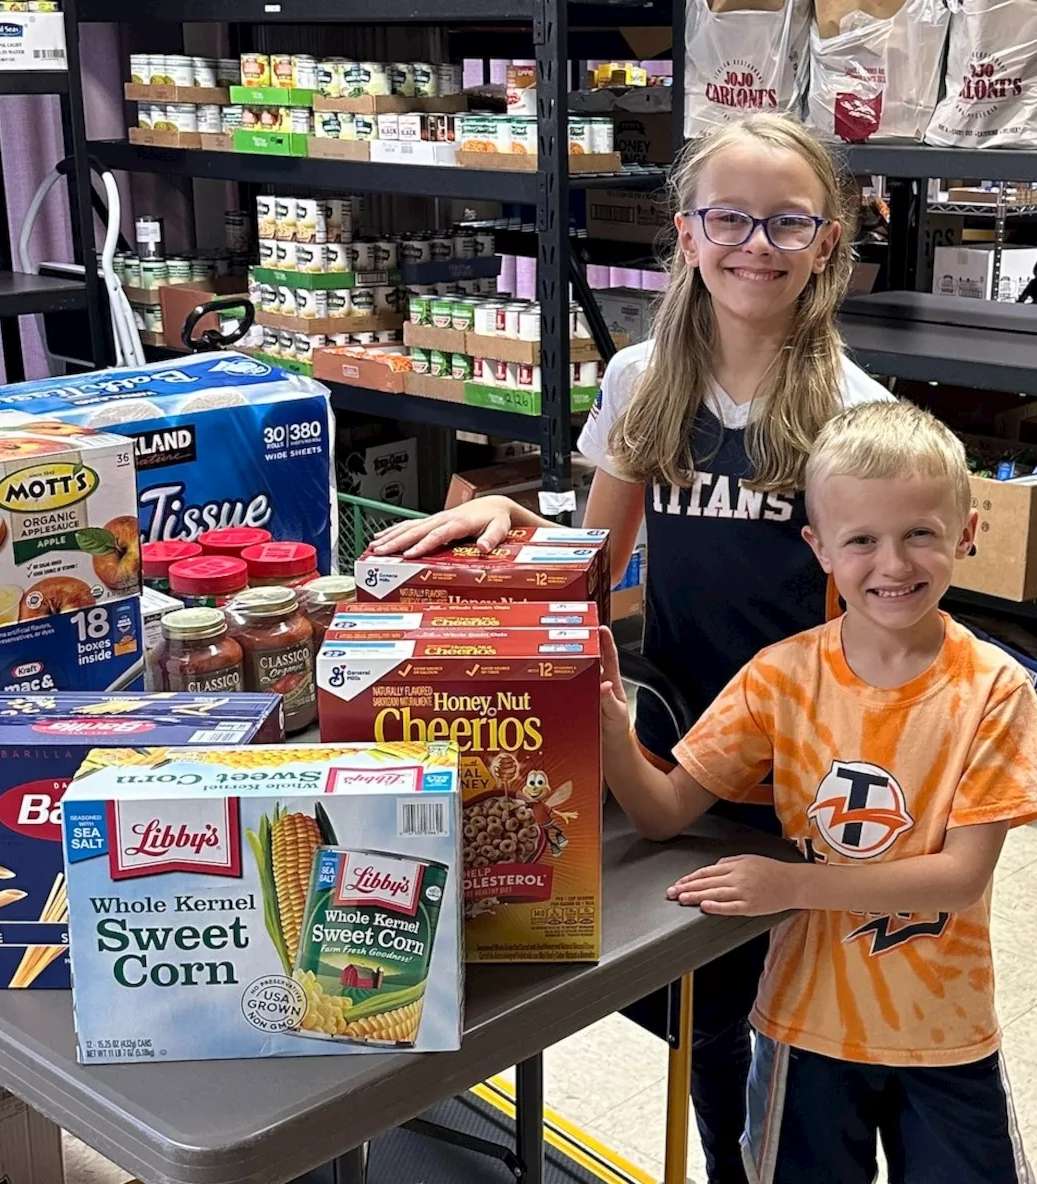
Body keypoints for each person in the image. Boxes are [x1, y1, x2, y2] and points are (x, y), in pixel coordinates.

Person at [371, 113, 891, 1182]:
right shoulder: (643, 377)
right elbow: (593, 561)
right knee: (694, 1010)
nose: (757, 244)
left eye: (787, 223)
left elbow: (880, 629)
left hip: (799, 767)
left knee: (795, 1032)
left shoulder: (853, 412)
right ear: (686, 233)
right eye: (728, 218)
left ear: (826, 242)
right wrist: (511, 526)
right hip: (675, 741)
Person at [600, 399, 1037, 1184]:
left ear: (968, 533)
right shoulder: (781, 677)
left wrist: (790, 883)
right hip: (804, 1026)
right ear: (819, 548)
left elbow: (959, 878)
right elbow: (664, 808)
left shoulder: (996, 690)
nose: (893, 564)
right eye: (861, 541)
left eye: (920, 533)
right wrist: (610, 732)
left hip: (946, 1028)